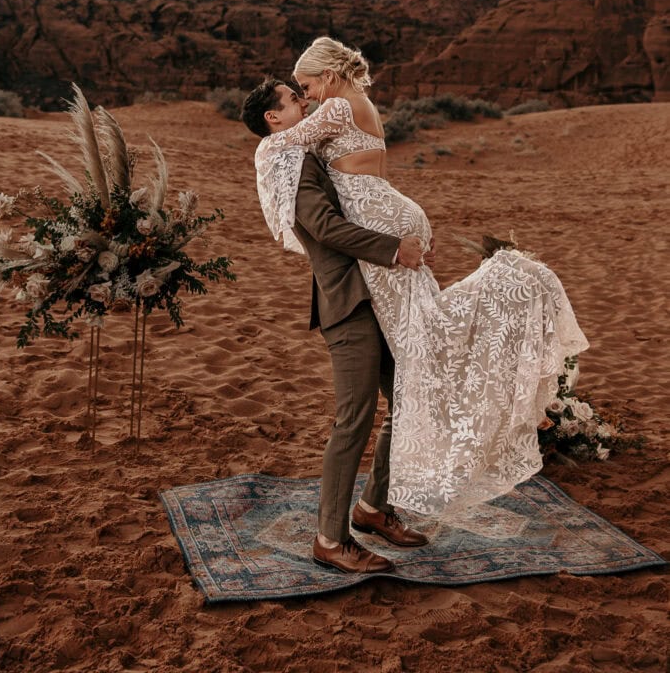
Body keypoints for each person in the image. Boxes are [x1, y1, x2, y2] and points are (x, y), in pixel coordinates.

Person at [253, 37, 590, 518]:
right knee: (417, 367)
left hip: (388, 242)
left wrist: (267, 147)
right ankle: (375, 507)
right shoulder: (351, 105)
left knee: (425, 350)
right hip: (388, 232)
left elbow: (277, 146)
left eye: (306, 86)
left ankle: (513, 285)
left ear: (328, 75)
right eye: (297, 94)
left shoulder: (336, 109)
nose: (304, 98)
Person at [241, 79, 429, 575]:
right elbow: (322, 226)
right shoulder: (288, 160)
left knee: (407, 396)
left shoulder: (307, 152)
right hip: (347, 301)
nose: (305, 102)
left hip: (376, 293)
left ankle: (373, 507)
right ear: (273, 118)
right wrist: (394, 249)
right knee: (355, 419)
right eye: (293, 99)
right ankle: (330, 538)